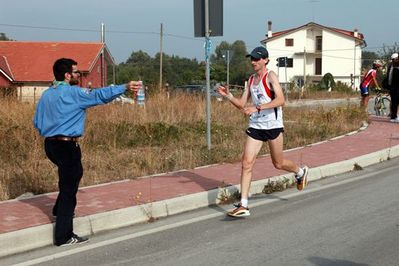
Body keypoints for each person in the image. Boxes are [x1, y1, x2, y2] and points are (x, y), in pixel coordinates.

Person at [33, 58, 140, 246]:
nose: (78, 75)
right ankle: (64, 235)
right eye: (76, 72)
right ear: (67, 75)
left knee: (73, 176)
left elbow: (37, 122)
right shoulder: (74, 93)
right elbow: (99, 95)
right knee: (69, 189)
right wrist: (124, 87)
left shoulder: (47, 94)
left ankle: (59, 210)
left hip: (50, 145)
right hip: (67, 145)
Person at [216, 47, 308, 218]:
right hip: (256, 126)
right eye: (252, 59)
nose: (253, 62)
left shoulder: (271, 76)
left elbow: (281, 100)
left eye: (257, 59)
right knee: (246, 163)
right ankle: (243, 205)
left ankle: (300, 172)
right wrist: (228, 96)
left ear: (265, 60)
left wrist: (257, 107)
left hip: (272, 126)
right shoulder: (250, 80)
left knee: (278, 163)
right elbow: (243, 105)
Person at [388, 53, 399, 122]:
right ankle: (393, 116)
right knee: (395, 102)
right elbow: (390, 78)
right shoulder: (394, 68)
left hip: (393, 87)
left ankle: (393, 116)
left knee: (394, 102)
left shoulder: (391, 67)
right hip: (395, 87)